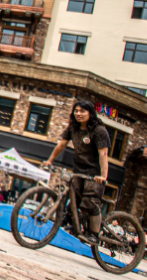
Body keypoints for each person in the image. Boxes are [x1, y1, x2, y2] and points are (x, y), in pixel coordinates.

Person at [43, 99, 110, 246]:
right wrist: (50, 161)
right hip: (79, 169)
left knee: (90, 203)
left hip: (94, 173)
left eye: (82, 111)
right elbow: (61, 144)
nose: (78, 114)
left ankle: (94, 235)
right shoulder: (73, 128)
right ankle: (71, 224)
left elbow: (103, 154)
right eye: (76, 111)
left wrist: (103, 176)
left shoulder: (98, 130)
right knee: (72, 200)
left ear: (90, 113)